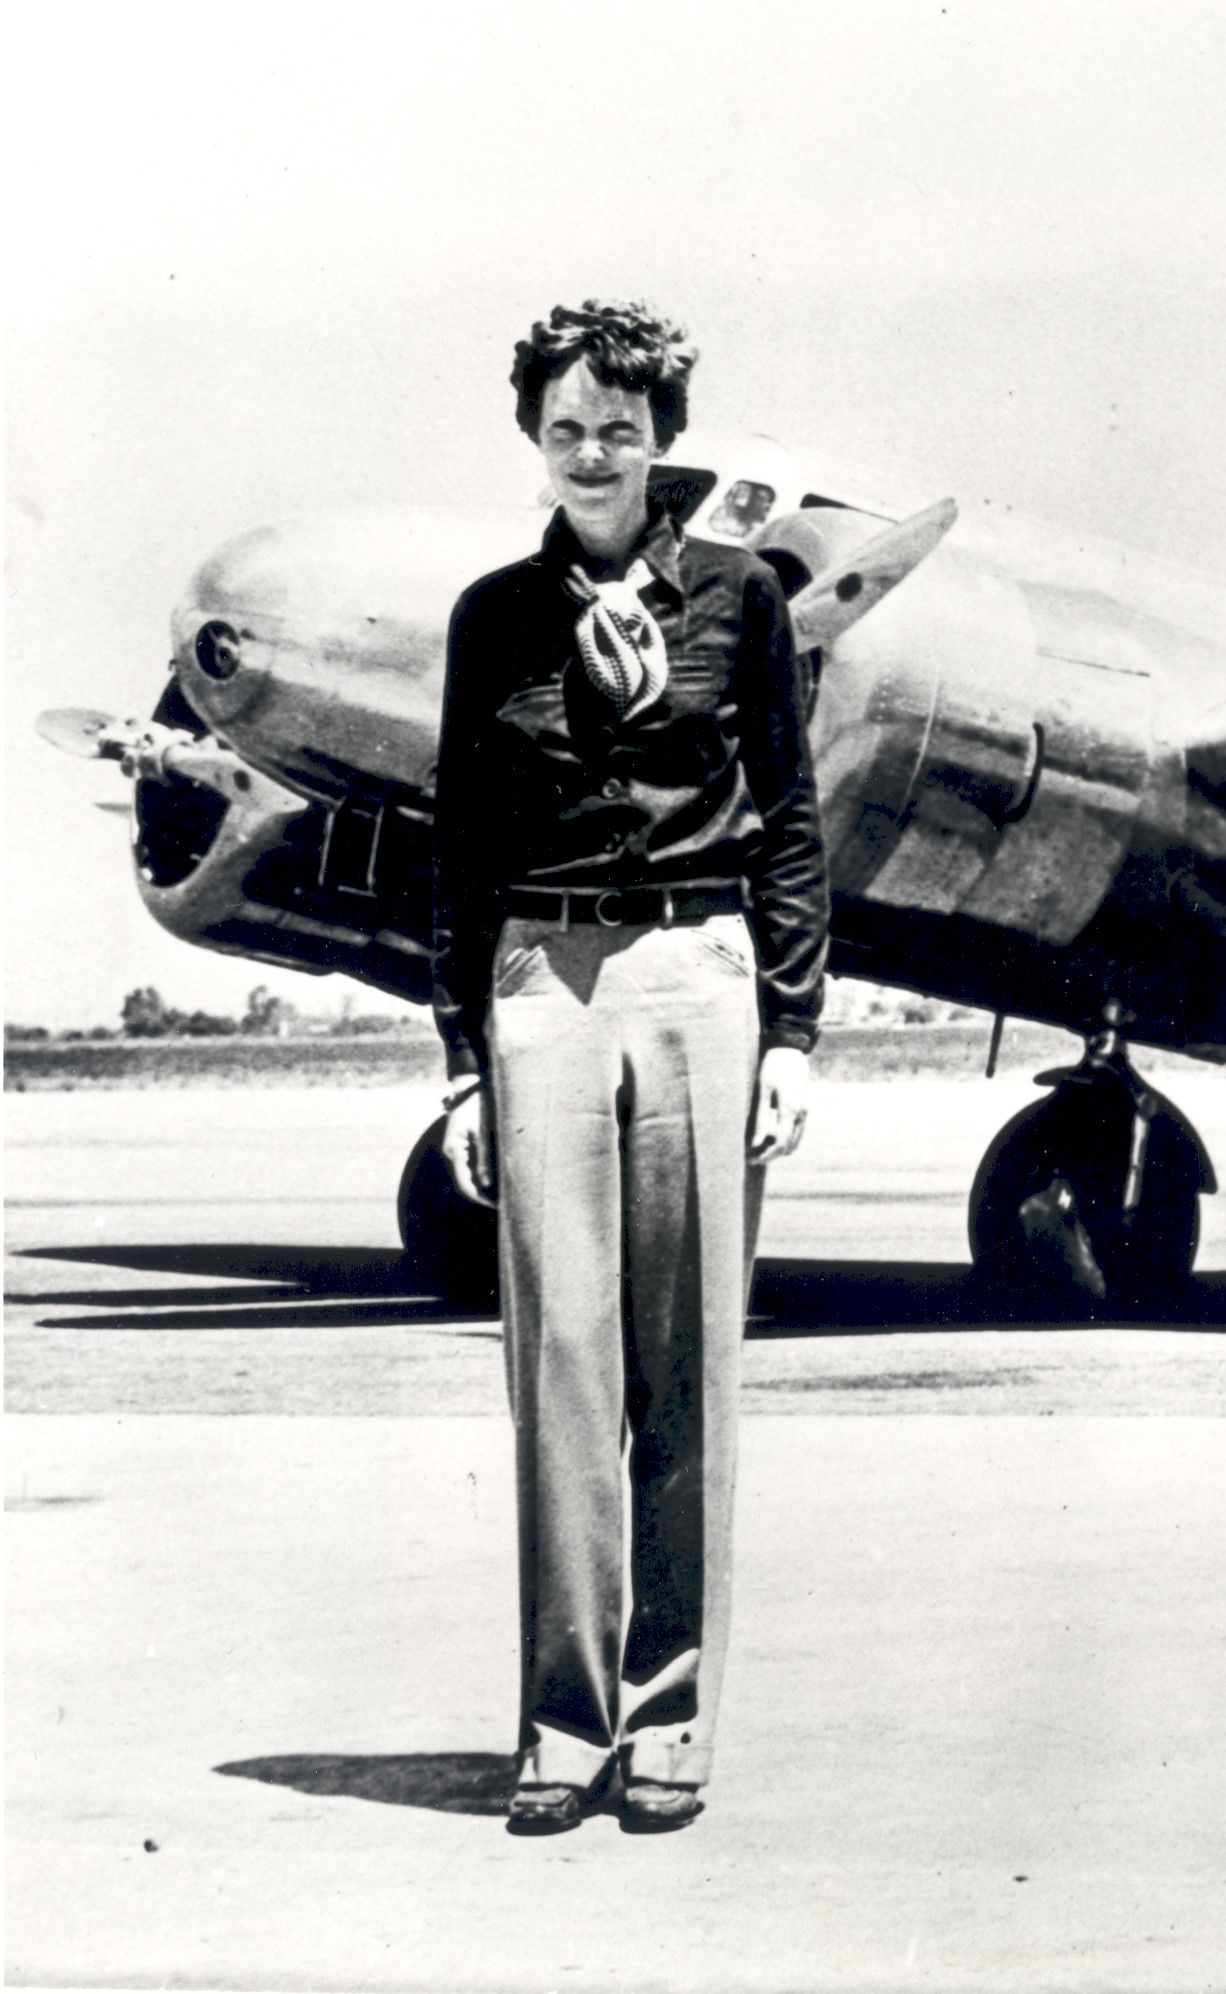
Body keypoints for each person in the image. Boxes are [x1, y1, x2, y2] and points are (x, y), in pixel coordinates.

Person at [429, 299, 829, 1836]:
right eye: (564, 428)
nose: (591, 452)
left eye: (619, 425)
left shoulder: (741, 599)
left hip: (697, 974)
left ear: (663, 435)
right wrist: (466, 1057)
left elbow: (788, 822)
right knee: (560, 1371)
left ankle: (668, 1723)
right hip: (542, 977)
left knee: (687, 1369)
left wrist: (790, 1032)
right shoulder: (489, 620)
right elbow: (460, 850)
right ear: (532, 438)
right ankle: (560, 1722)